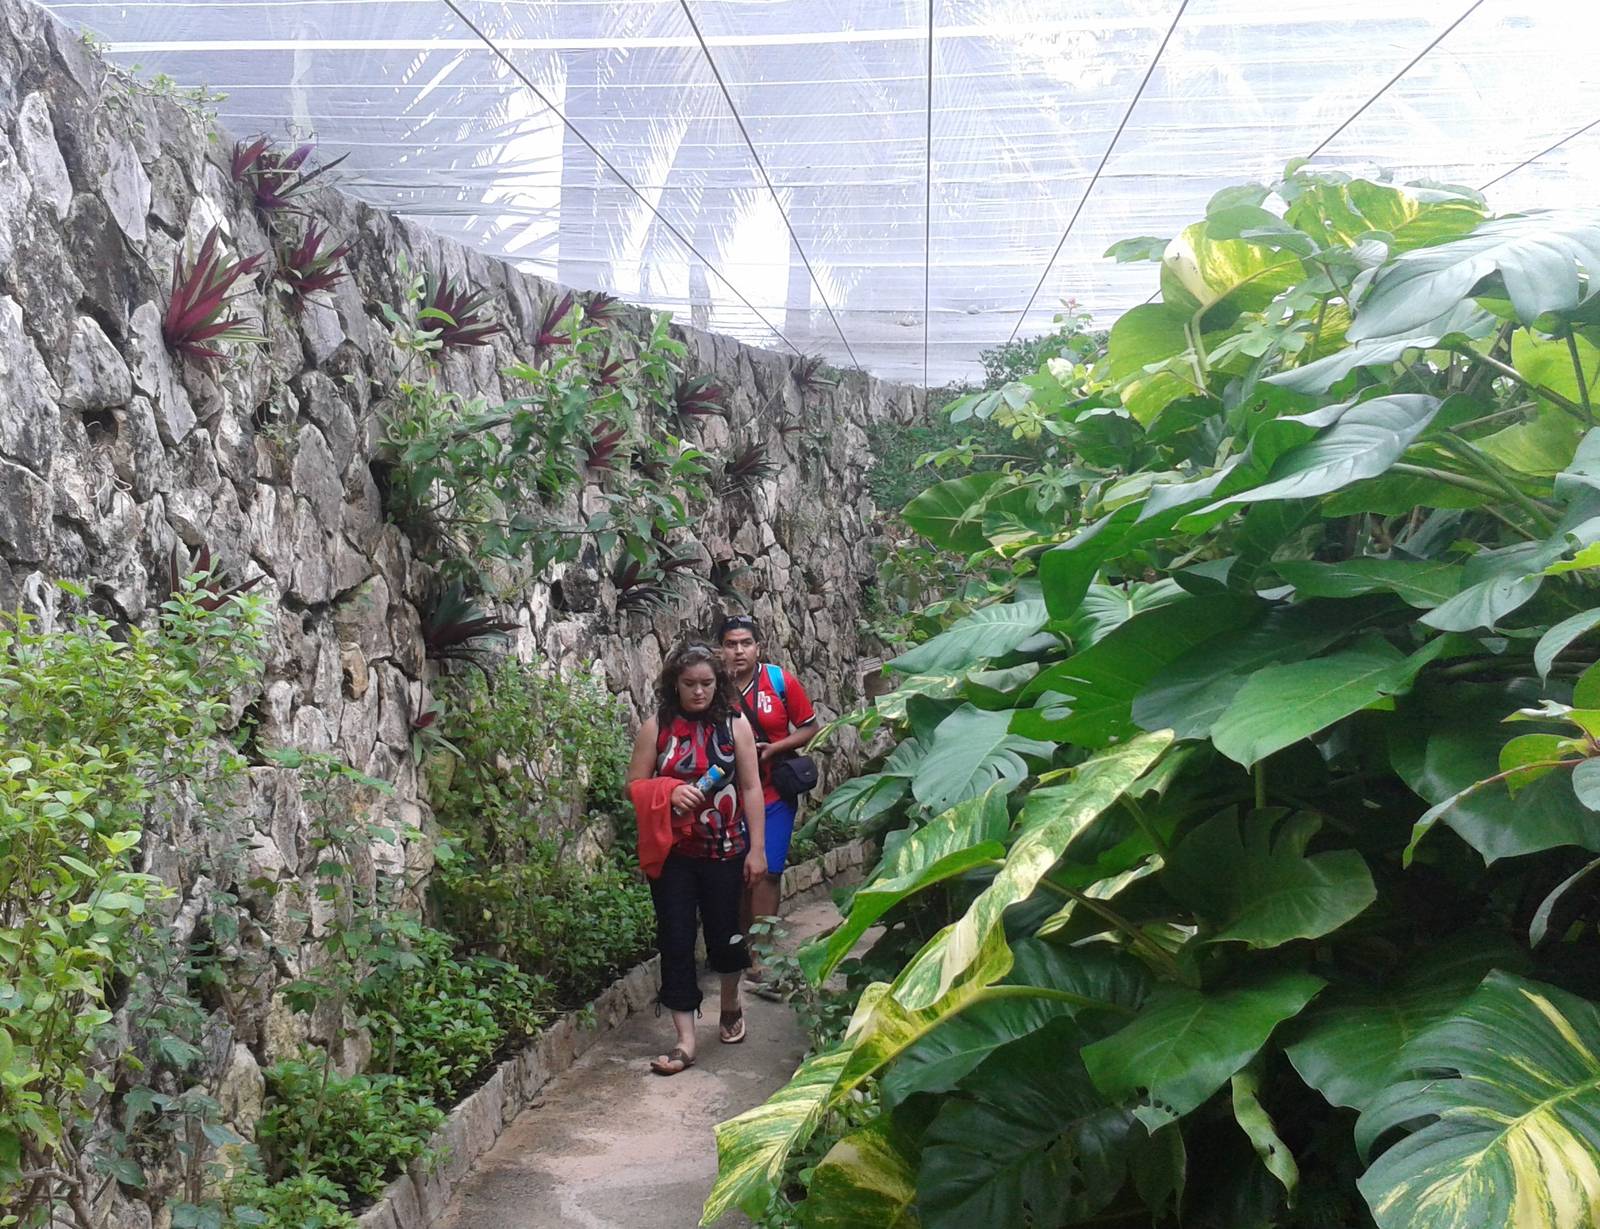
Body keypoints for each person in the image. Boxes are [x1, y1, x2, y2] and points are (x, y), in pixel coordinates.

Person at [625, 643, 767, 1076]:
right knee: (676, 938)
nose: (699, 692)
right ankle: (685, 1040)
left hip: (725, 849)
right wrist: (666, 790)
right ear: (675, 685)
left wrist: (757, 849)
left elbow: (750, 788)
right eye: (690, 684)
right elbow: (634, 784)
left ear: (718, 683)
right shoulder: (657, 728)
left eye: (707, 683)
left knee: (726, 935)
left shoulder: (735, 725)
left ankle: (729, 1003)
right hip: (673, 855)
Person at [716, 614, 818, 994]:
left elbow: (809, 726)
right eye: (731, 643)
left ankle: (762, 954)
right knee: (740, 875)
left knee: (769, 871)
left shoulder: (778, 681)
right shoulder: (711, 686)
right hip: (728, 799)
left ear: (758, 647)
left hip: (774, 792)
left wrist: (774, 748)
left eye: (745, 643)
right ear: (720, 648)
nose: (738, 651)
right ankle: (740, 945)